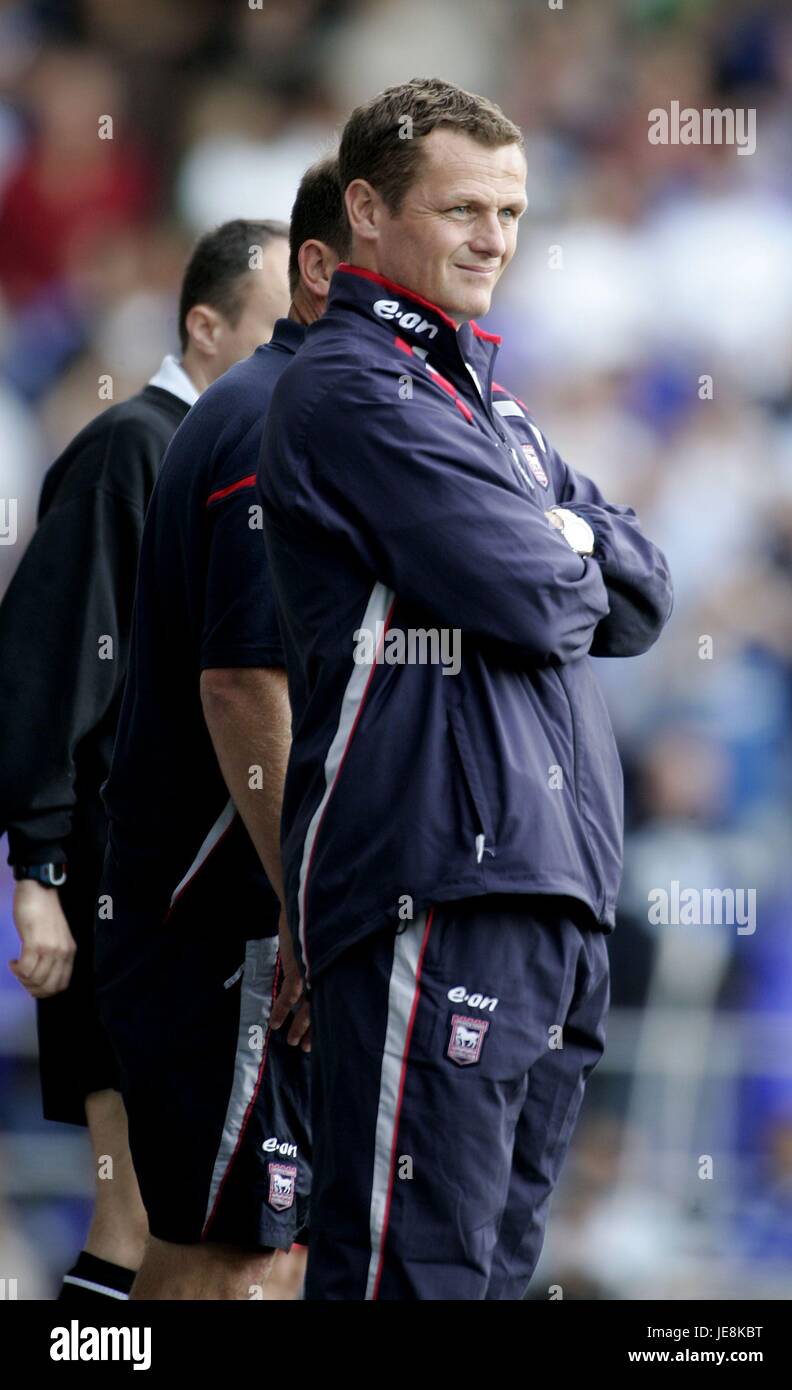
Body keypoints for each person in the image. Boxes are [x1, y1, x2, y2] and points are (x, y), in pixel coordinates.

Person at [259, 78, 674, 1301]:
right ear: (369, 212)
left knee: (493, 1275)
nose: (495, 237)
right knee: (410, 1272)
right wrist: (562, 538)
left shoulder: (483, 401)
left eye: (511, 210)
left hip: (550, 881)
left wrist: (555, 535)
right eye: (464, 209)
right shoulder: (353, 386)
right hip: (432, 880)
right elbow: (544, 598)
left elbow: (643, 590)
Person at [0, 217, 291, 1303]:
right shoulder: (136, 446)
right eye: (273, 329)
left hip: (197, 901)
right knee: (138, 1219)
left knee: (207, 1227)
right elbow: (45, 664)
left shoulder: (245, 455)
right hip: (121, 897)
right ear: (205, 325)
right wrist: (39, 877)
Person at [95, 158, 350, 1301]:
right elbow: (241, 682)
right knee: (225, 1259)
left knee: (264, 1250)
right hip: (222, 912)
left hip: (242, 909)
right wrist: (308, 896)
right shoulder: (253, 420)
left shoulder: (312, 412)